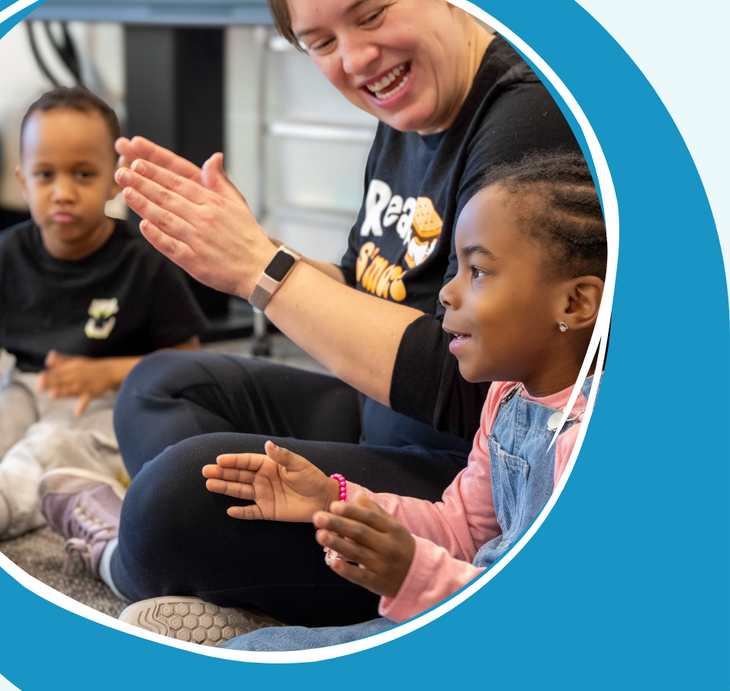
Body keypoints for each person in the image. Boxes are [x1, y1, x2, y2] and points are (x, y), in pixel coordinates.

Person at [38, 0, 585, 630]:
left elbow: (472, 387)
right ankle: (216, 571)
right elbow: (366, 282)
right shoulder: (407, 112)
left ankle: (128, 554)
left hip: (463, 475)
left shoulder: (526, 120)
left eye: (371, 14)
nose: (353, 60)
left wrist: (263, 273)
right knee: (161, 385)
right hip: (375, 417)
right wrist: (243, 252)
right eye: (320, 41)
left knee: (176, 496)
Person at [208, 150, 607, 649]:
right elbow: (461, 530)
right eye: (455, 269)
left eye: (477, 271)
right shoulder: (507, 395)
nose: (446, 293)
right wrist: (337, 499)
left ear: (575, 303)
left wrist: (414, 576)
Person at [0, 87, 206, 541]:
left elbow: (186, 361)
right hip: (26, 383)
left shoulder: (145, 261)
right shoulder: (8, 251)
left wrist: (104, 373)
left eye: (82, 174)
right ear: (22, 182)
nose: (62, 193)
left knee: (50, 448)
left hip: (108, 401)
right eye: (44, 175)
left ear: (114, 181)